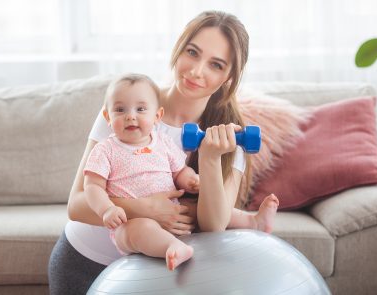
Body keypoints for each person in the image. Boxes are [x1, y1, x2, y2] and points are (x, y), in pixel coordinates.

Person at [48, 10, 279, 295]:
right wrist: (146, 208)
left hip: (155, 276)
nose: (196, 71)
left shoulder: (230, 137)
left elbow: (215, 224)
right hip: (84, 262)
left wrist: (209, 158)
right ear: (178, 48)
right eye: (192, 52)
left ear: (229, 78)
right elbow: (78, 205)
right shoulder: (129, 108)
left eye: (215, 65)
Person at [84, 73, 197, 271]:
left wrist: (191, 180)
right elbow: (92, 186)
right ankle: (172, 246)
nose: (130, 116)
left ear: (157, 116)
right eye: (120, 110)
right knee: (141, 229)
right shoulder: (105, 149)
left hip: (171, 213)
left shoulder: (163, 142)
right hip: (130, 223)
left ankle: (251, 220)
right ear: (107, 117)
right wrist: (107, 209)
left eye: (141, 109)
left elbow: (179, 170)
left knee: (212, 207)